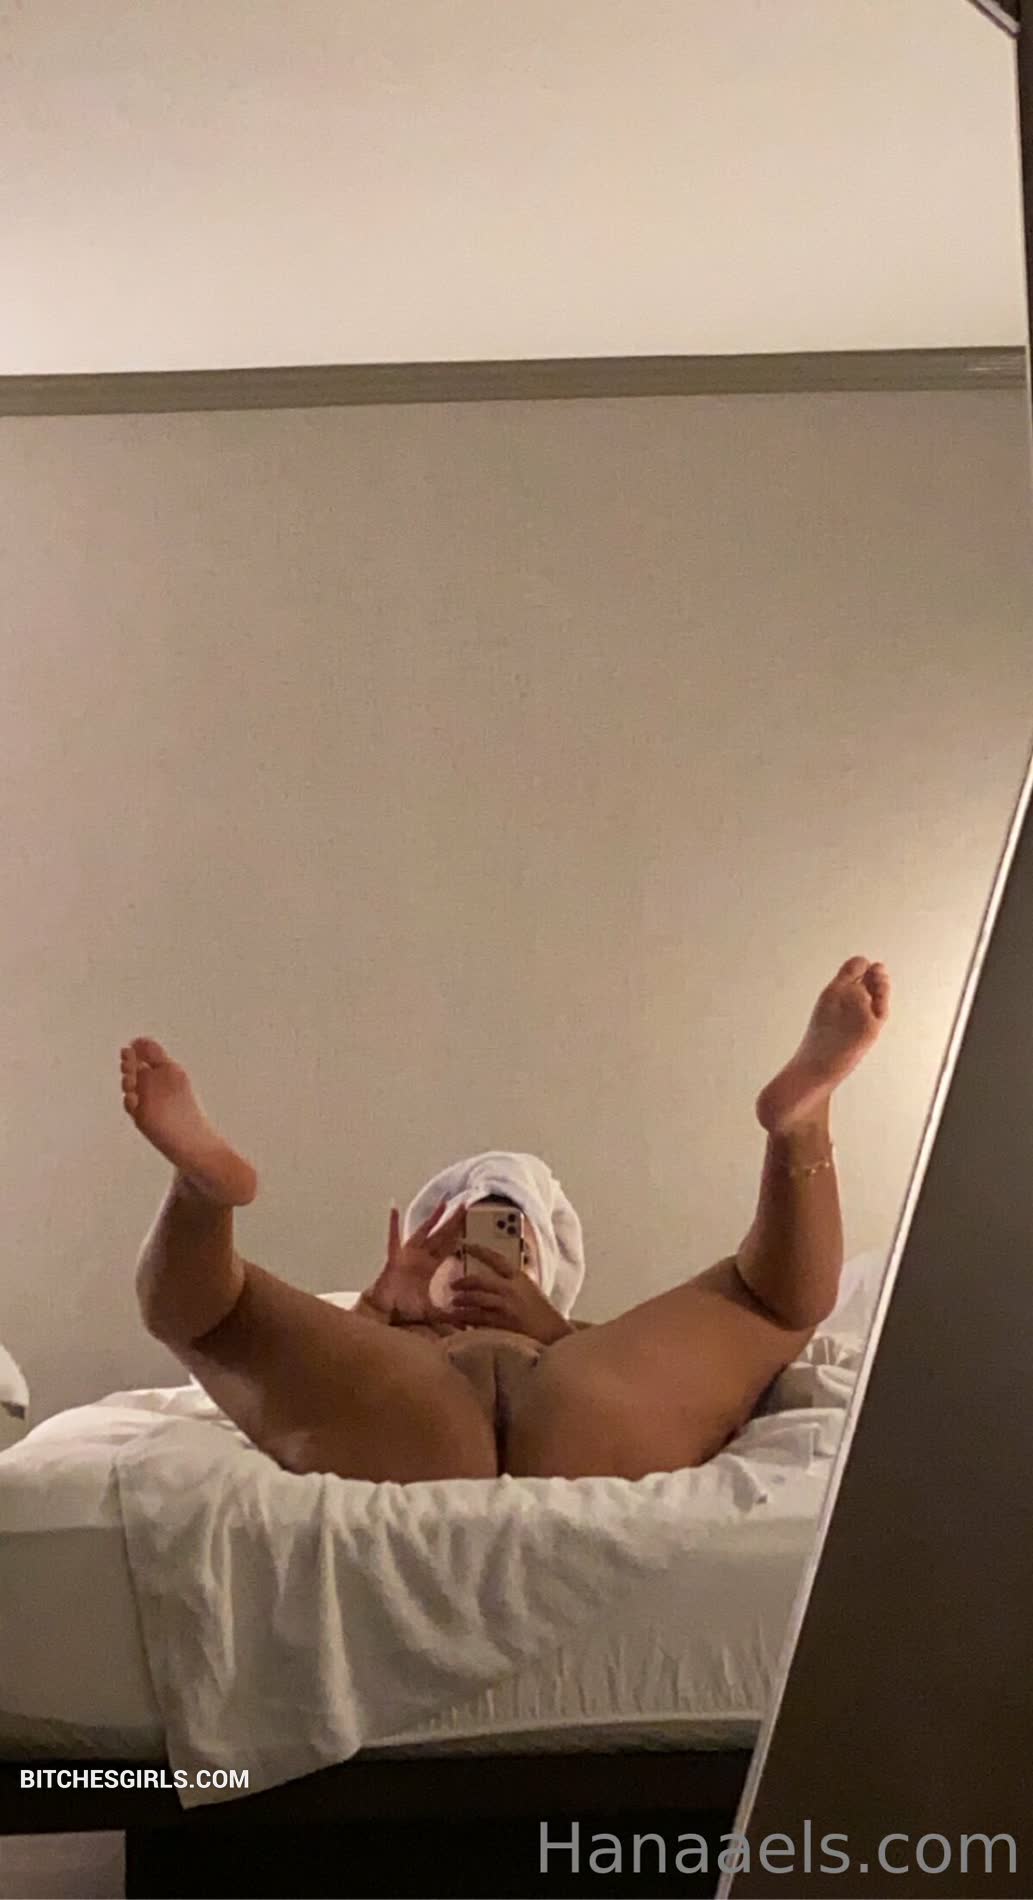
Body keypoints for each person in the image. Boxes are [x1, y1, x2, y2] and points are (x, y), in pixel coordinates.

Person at [122, 955, 890, 1484]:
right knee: (211, 1312)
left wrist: (549, 1326)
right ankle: (202, 1193)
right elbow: (312, 1365)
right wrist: (380, 1308)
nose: (480, 1253)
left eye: (509, 1236)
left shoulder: (574, 1333)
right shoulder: (386, 1326)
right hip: (448, 1404)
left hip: (498, 1407)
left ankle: (800, 1126)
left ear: (550, 1264)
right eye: (460, 1236)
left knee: (773, 1302)